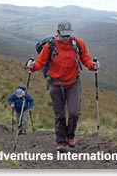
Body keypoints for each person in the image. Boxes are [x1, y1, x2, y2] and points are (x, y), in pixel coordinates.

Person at [27, 20, 100, 152]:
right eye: (63, 35)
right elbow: (40, 62)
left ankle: (70, 135)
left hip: (73, 84)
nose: (66, 38)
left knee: (74, 113)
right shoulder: (50, 46)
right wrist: (32, 66)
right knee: (60, 115)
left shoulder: (78, 44)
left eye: (68, 35)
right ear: (58, 33)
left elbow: (86, 59)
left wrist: (92, 65)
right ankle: (61, 142)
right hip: (55, 85)